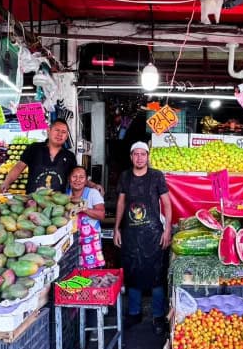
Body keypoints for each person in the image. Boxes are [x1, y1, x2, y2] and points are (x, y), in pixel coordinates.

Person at [114, 141, 172, 335]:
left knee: (156, 275)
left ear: (148, 156)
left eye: (143, 154)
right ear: (131, 157)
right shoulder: (125, 176)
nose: (139, 157)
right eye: (136, 154)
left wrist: (167, 230)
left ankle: (157, 316)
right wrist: (117, 228)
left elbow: (167, 204)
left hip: (153, 233)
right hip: (131, 233)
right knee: (132, 273)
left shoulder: (156, 176)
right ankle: (134, 312)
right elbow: (121, 203)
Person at [1, 119, 80, 194]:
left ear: (66, 137)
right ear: (48, 131)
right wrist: (6, 182)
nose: (60, 134)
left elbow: (76, 177)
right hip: (33, 201)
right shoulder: (34, 148)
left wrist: (90, 184)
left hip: (58, 203)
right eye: (57, 130)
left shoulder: (70, 156)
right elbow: (18, 167)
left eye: (63, 132)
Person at [68, 166, 106, 269]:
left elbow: (101, 214)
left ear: (86, 180)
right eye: (74, 176)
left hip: (90, 244)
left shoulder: (92, 193)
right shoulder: (65, 195)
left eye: (81, 177)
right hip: (71, 243)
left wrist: (83, 208)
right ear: (69, 178)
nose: (77, 180)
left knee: (92, 275)